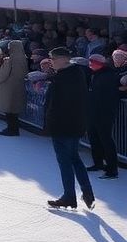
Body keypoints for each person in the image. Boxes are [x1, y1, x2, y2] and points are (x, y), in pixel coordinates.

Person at [43, 47, 94, 210]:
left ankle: (69, 196)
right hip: (73, 125)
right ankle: (86, 192)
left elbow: (58, 105)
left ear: (64, 60)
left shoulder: (65, 78)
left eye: (53, 59)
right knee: (74, 158)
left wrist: (50, 123)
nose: (51, 62)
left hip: (63, 126)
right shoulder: (75, 74)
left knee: (65, 161)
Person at [85, 54, 120, 179]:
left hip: (104, 113)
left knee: (106, 139)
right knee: (94, 138)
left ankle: (112, 169)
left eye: (92, 62)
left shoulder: (108, 75)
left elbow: (108, 95)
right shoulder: (93, 74)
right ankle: (98, 163)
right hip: (92, 111)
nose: (90, 65)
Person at [0, 40, 28, 136]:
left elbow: (4, 74)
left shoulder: (10, 60)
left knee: (9, 109)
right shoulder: (23, 58)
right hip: (19, 85)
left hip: (8, 86)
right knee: (14, 109)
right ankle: (14, 128)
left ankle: (11, 129)